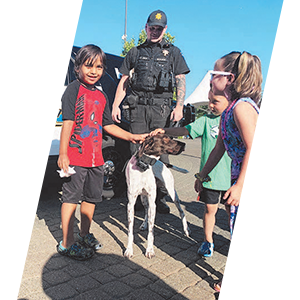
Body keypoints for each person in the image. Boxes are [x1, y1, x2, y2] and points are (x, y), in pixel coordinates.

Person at [57, 44, 147, 260]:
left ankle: (84, 234)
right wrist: (63, 153)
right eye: (88, 66)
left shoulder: (101, 94)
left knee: (91, 198)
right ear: (78, 67)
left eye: (98, 67)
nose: (94, 71)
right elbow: (68, 122)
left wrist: (131, 136)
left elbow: (108, 125)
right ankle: (66, 242)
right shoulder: (72, 90)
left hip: (97, 159)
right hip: (76, 157)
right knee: (71, 197)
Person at [194, 51, 264, 299]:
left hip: (254, 178)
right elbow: (219, 148)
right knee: (243, 238)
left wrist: (242, 184)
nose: (211, 78)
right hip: (245, 175)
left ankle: (253, 295)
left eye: (215, 74)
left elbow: (255, 147)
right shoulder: (228, 111)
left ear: (230, 78)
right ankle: (241, 282)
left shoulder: (242, 108)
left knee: (250, 241)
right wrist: (202, 175)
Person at [112, 10, 190, 214]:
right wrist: (115, 105)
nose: (155, 31)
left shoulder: (173, 52)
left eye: (159, 28)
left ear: (165, 29)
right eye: (151, 27)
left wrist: (179, 106)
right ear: (146, 28)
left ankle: (159, 196)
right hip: (137, 108)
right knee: (135, 151)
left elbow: (180, 79)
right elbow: (124, 80)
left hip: (161, 109)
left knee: (160, 153)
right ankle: (136, 198)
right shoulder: (135, 52)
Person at [151, 89, 231, 257]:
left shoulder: (236, 121)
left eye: (215, 101)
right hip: (211, 176)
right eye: (209, 100)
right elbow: (186, 130)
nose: (210, 105)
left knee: (232, 212)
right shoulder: (206, 121)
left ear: (230, 100)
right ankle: (208, 241)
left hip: (232, 178)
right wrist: (165, 131)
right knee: (210, 209)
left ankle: (236, 244)